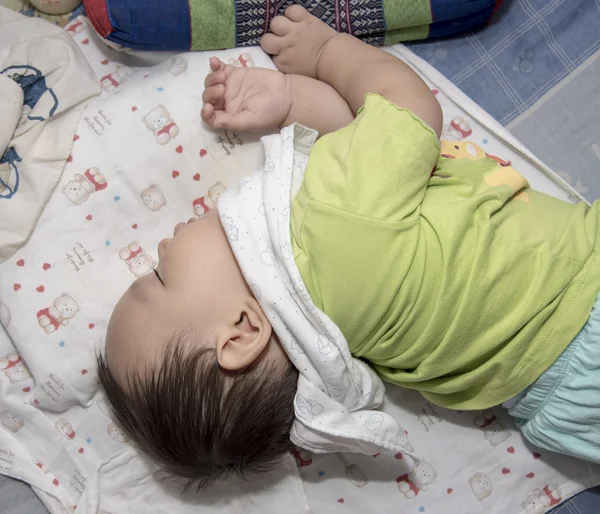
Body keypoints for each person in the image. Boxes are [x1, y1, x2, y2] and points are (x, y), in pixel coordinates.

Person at [98, 5, 600, 487]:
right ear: (242, 331)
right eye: (160, 277)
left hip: (558, 408)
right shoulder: (328, 225)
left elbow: (364, 160)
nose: (160, 246)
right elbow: (405, 109)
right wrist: (325, 53)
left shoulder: (337, 333)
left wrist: (292, 102)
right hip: (583, 303)